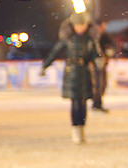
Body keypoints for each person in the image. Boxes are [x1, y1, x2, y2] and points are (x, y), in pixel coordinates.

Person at [40, 11, 99, 144]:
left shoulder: (90, 40)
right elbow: (54, 52)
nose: (81, 28)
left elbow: (96, 54)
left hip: (84, 73)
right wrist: (45, 65)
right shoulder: (67, 39)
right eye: (78, 25)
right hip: (72, 72)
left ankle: (82, 128)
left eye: (83, 25)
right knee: (75, 103)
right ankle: (75, 129)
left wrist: (99, 60)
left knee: (83, 103)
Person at [91, 20, 115, 112]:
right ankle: (96, 104)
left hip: (103, 63)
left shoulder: (104, 36)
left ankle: (98, 103)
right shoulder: (93, 36)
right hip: (96, 63)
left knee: (102, 84)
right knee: (98, 84)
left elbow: (112, 44)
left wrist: (108, 54)